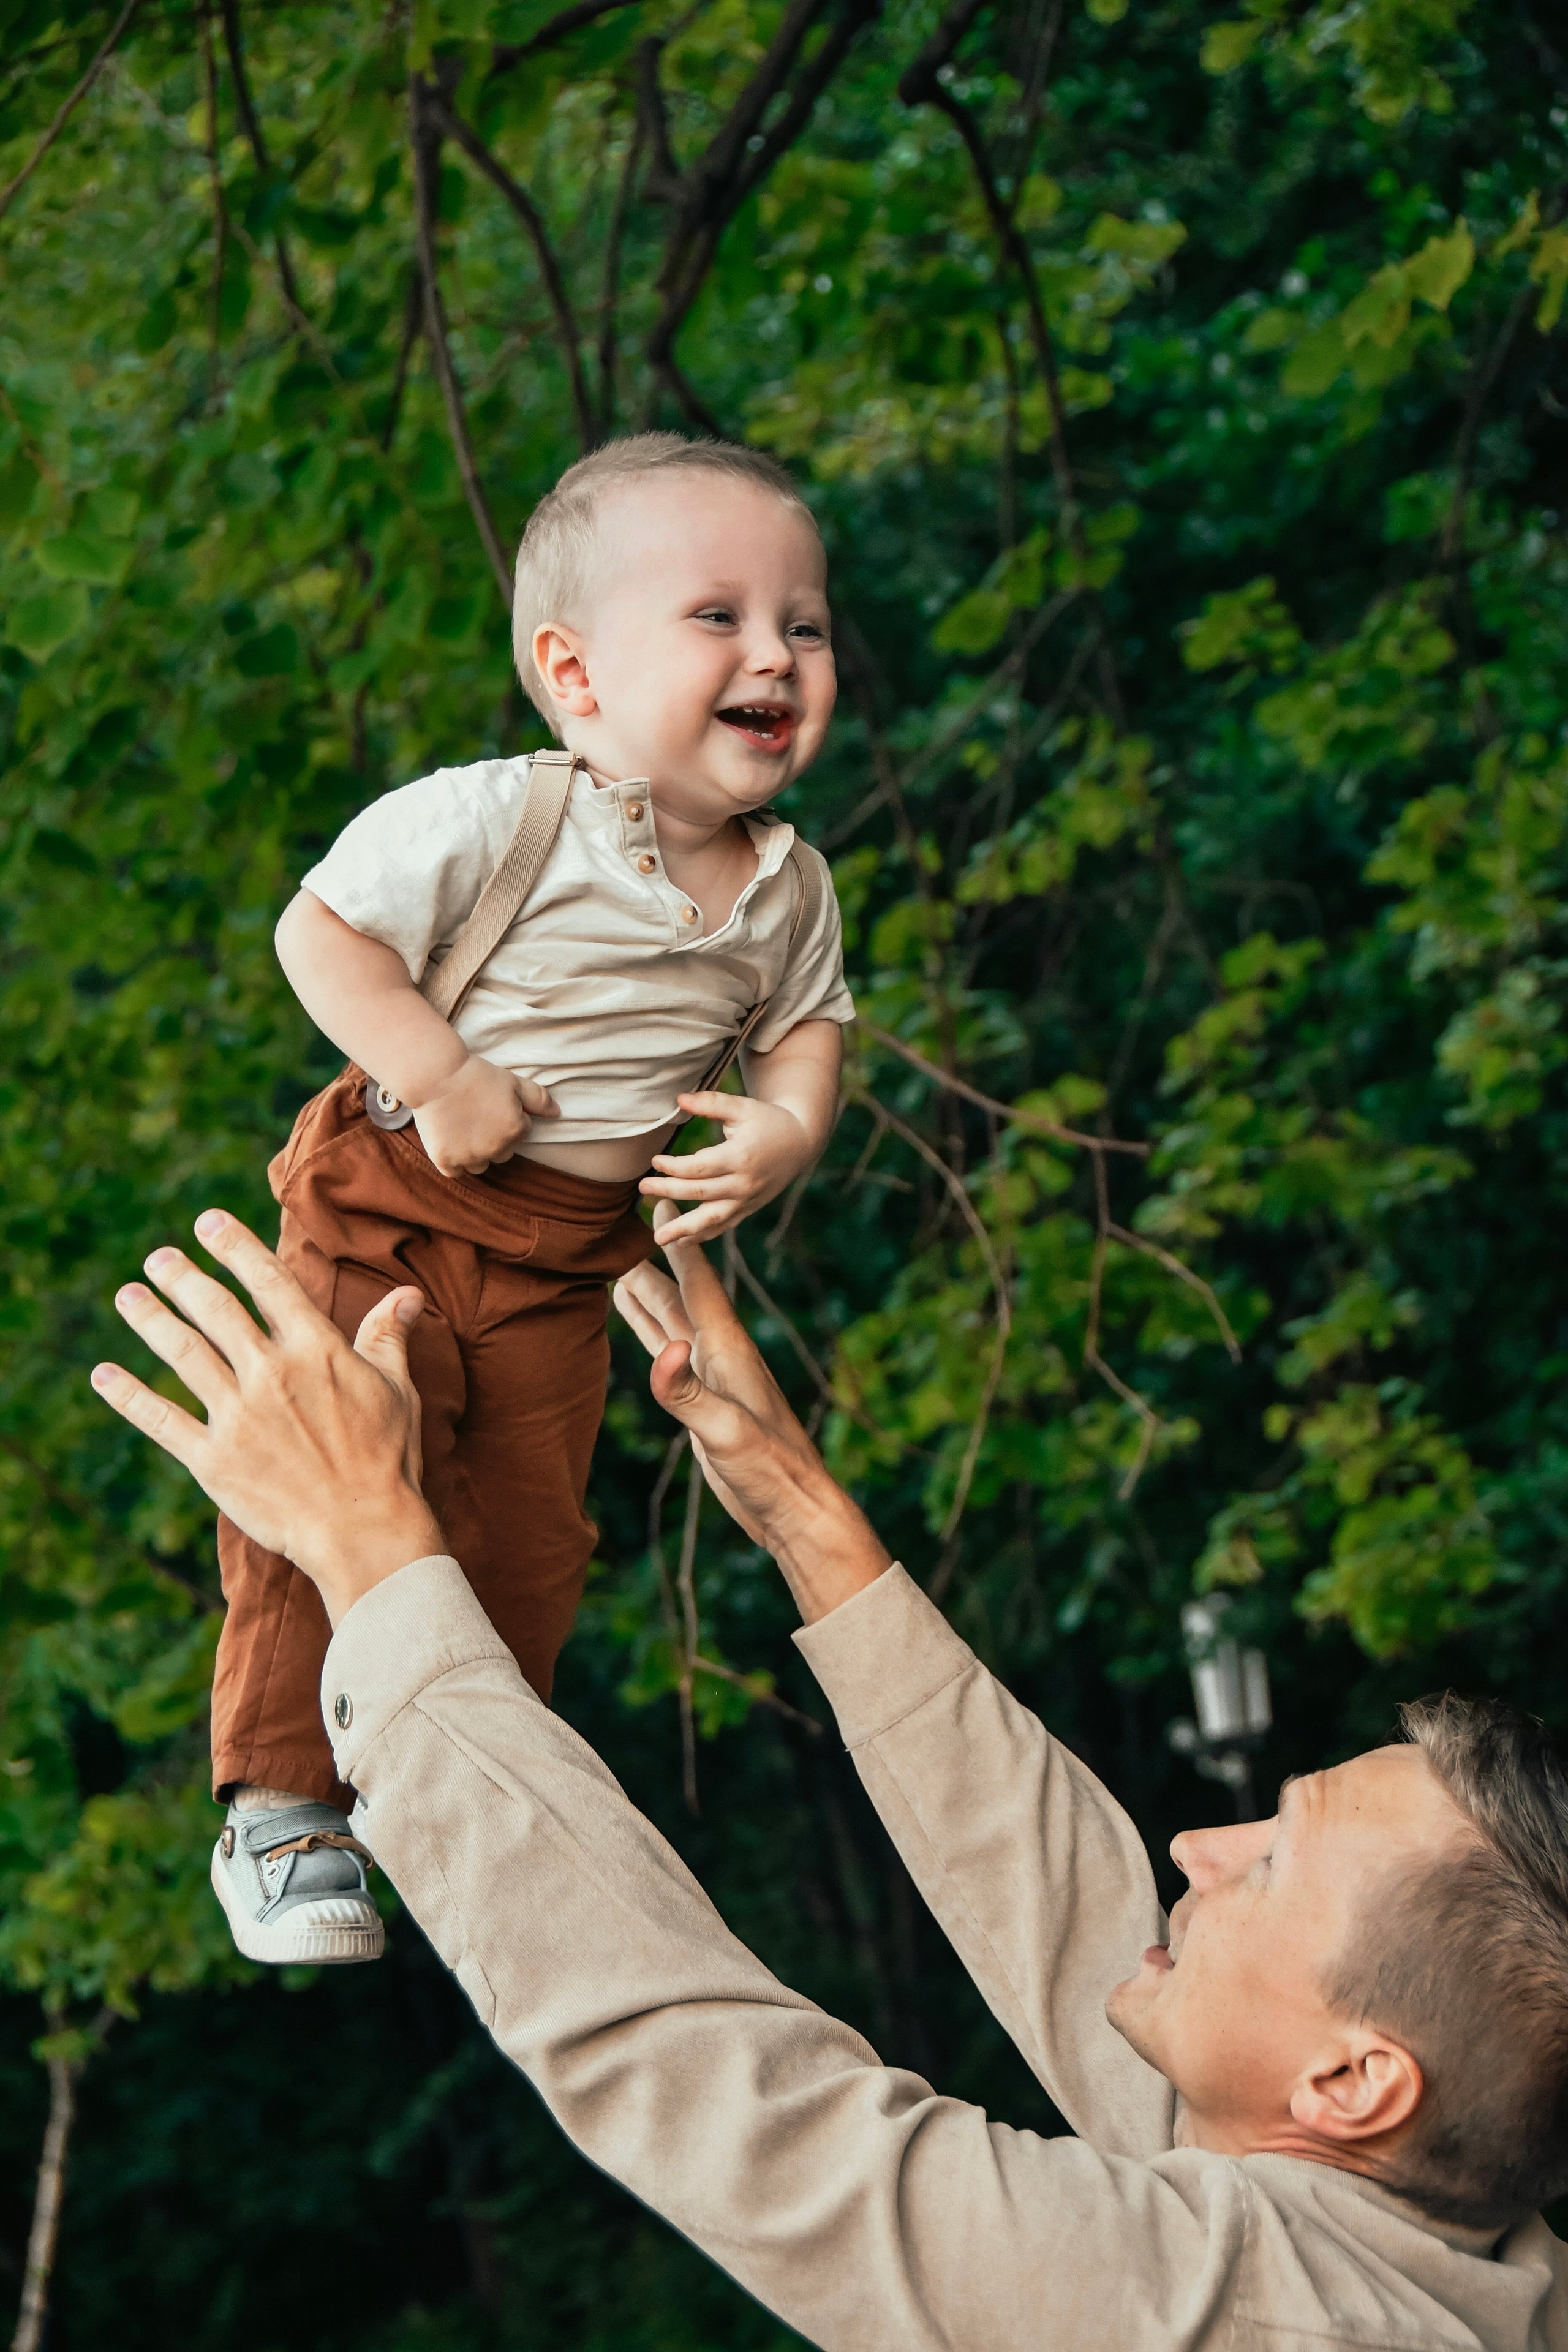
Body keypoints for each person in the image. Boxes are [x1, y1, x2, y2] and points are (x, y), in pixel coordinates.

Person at [94, 1211, 1568, 2351]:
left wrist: (367, 1547)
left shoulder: (1262, 2326)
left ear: (1352, 2082)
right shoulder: (1455, 2250)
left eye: (1269, 1863)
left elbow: (722, 2092)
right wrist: (799, 1511)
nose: (1196, 1844)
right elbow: (1067, 1912)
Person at [211, 433, 853, 1964]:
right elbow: (318, 937)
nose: (775, 654)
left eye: (805, 623)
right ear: (573, 673)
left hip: (569, 1265)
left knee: (524, 1540)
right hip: (392, 1203)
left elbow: (807, 1034)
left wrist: (784, 1135)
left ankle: (454, 1801)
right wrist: (438, 1071)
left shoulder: (789, 885)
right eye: (718, 618)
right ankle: (282, 1811)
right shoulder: (496, 817)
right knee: (346, 1462)